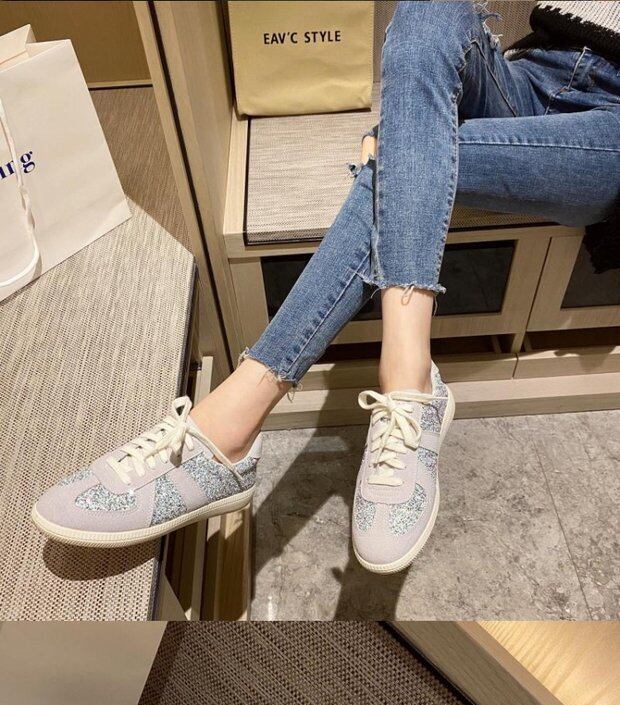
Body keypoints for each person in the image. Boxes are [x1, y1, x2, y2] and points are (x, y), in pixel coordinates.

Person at [33, 1, 620, 573]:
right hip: (528, 75)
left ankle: (249, 418)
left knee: (400, 156)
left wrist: (408, 129)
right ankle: (411, 383)